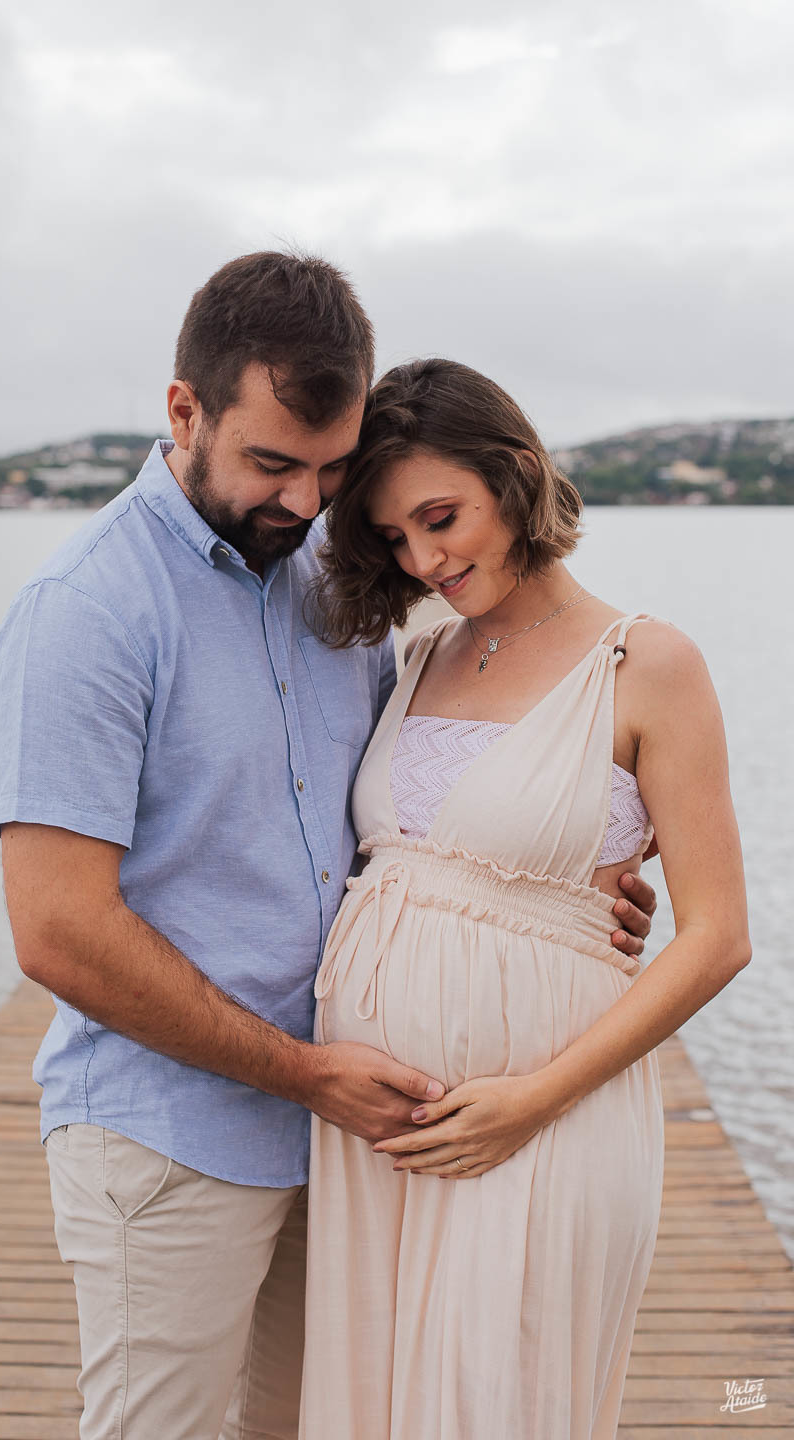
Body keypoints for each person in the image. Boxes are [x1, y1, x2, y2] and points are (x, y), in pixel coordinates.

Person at [0, 255, 656, 1440]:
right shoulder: (86, 611)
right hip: (172, 1135)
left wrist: (581, 865)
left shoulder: (333, 583)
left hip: (348, 1145)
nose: (303, 503)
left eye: (332, 469)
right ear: (183, 410)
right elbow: (57, 931)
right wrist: (304, 1075)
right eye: (272, 464)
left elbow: (419, 794)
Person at [299, 357, 752, 1440]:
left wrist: (533, 1099)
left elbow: (719, 939)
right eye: (395, 538)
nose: (426, 558)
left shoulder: (646, 663)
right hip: (375, 1134)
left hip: (540, 1120)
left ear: (515, 475)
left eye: (441, 517)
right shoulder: (418, 651)